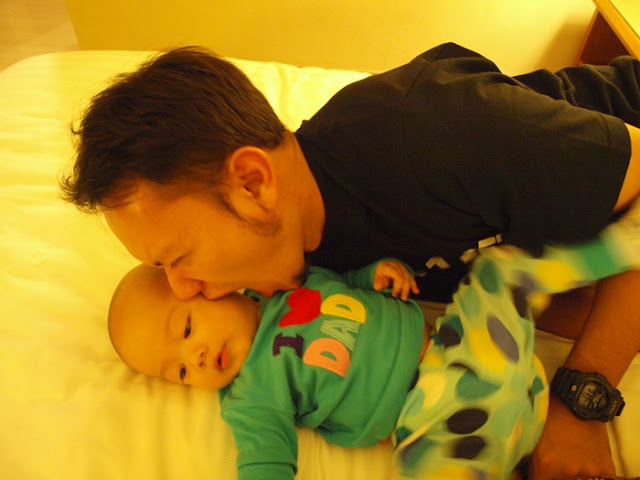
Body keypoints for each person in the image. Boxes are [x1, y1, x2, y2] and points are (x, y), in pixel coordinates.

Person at [60, 43, 640, 478]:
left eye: (178, 259)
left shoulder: (434, 129)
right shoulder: (298, 269)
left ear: (253, 183)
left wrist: (580, 400)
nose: (181, 288)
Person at [109, 204, 640, 480]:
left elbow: (345, 286)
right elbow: (265, 460)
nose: (196, 358)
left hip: (473, 352)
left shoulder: (288, 284)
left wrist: (376, 275)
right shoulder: (250, 396)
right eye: (179, 372)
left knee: (498, 273)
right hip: (438, 419)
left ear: (211, 287)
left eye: (186, 331)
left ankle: (619, 250)